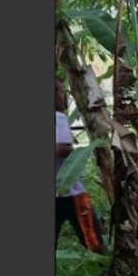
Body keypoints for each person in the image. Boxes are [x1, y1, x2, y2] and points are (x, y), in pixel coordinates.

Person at [55, 79, 105, 254]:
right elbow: (64, 149)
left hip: (64, 192)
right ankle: (106, 272)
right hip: (70, 193)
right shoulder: (58, 118)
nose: (64, 98)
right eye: (61, 93)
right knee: (93, 240)